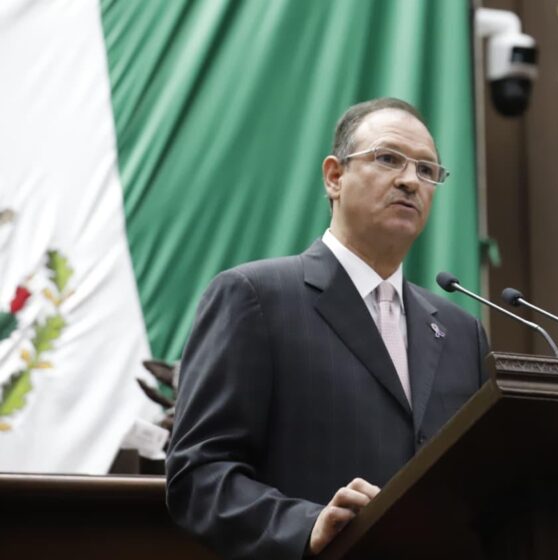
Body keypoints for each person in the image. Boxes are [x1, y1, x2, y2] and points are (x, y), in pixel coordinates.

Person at [166, 98, 489, 560]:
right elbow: (198, 475)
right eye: (388, 158)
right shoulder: (255, 297)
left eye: (427, 170)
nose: (409, 180)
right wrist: (306, 525)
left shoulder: (461, 332)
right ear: (335, 177)